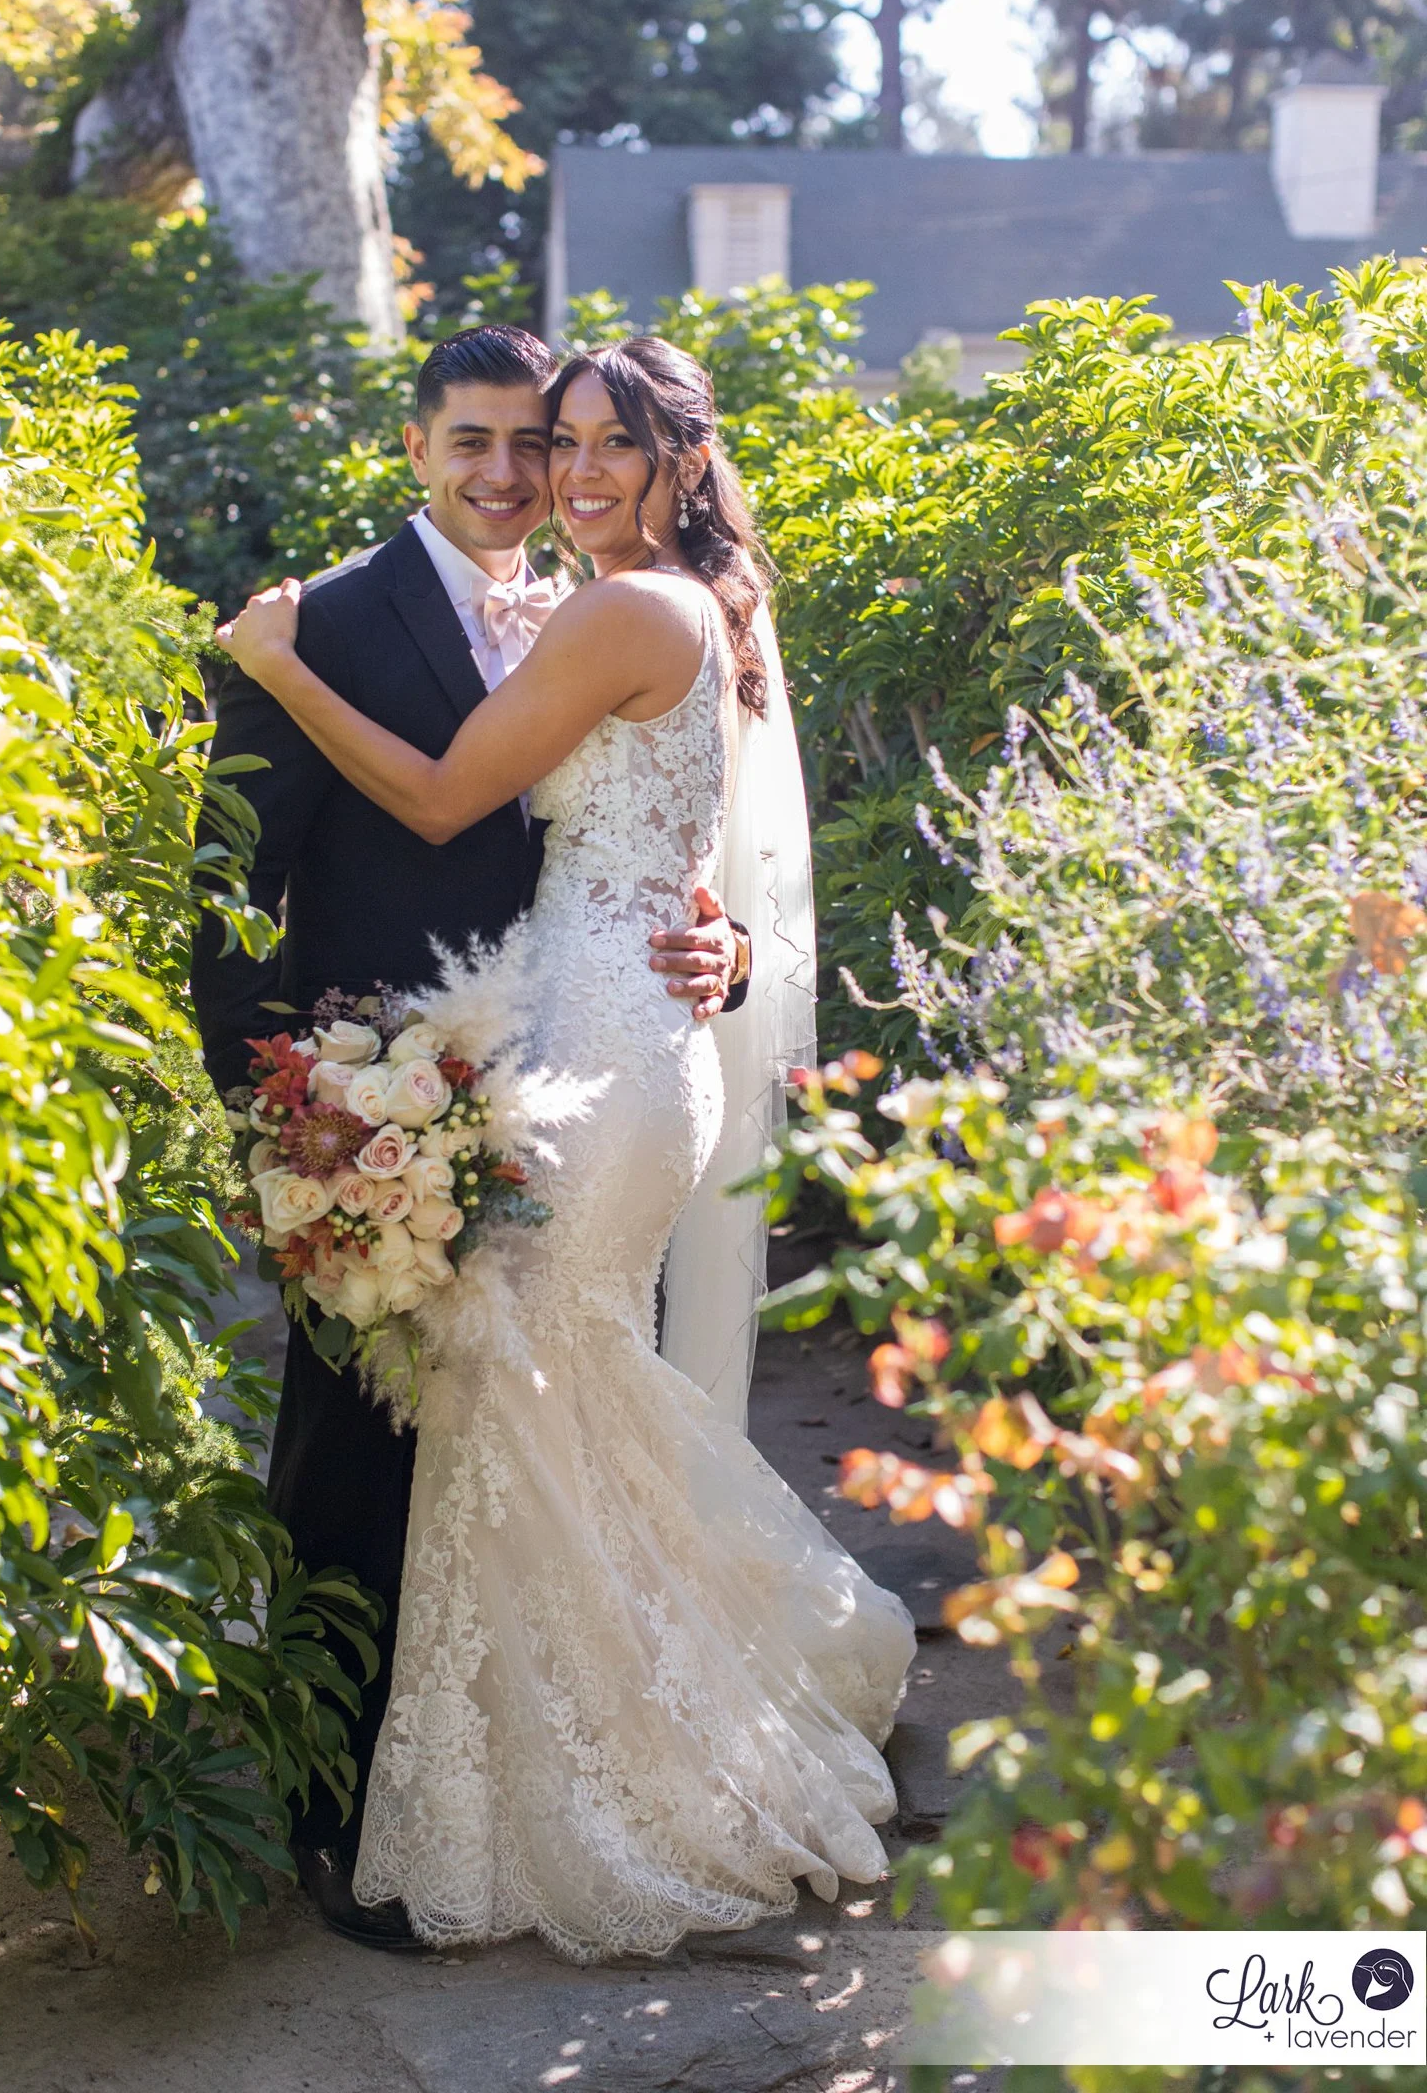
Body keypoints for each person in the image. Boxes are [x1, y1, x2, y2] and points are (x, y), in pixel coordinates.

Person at [214, 336, 915, 1965]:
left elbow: (463, 802)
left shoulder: (625, 606)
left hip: (585, 1059)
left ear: (678, 454)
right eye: (544, 442)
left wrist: (279, 673)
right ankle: (506, 1755)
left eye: (599, 445)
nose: (561, 474)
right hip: (536, 1048)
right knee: (534, 1408)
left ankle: (584, 1770)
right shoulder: (684, 603)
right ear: (422, 446)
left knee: (525, 1401)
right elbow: (689, 828)